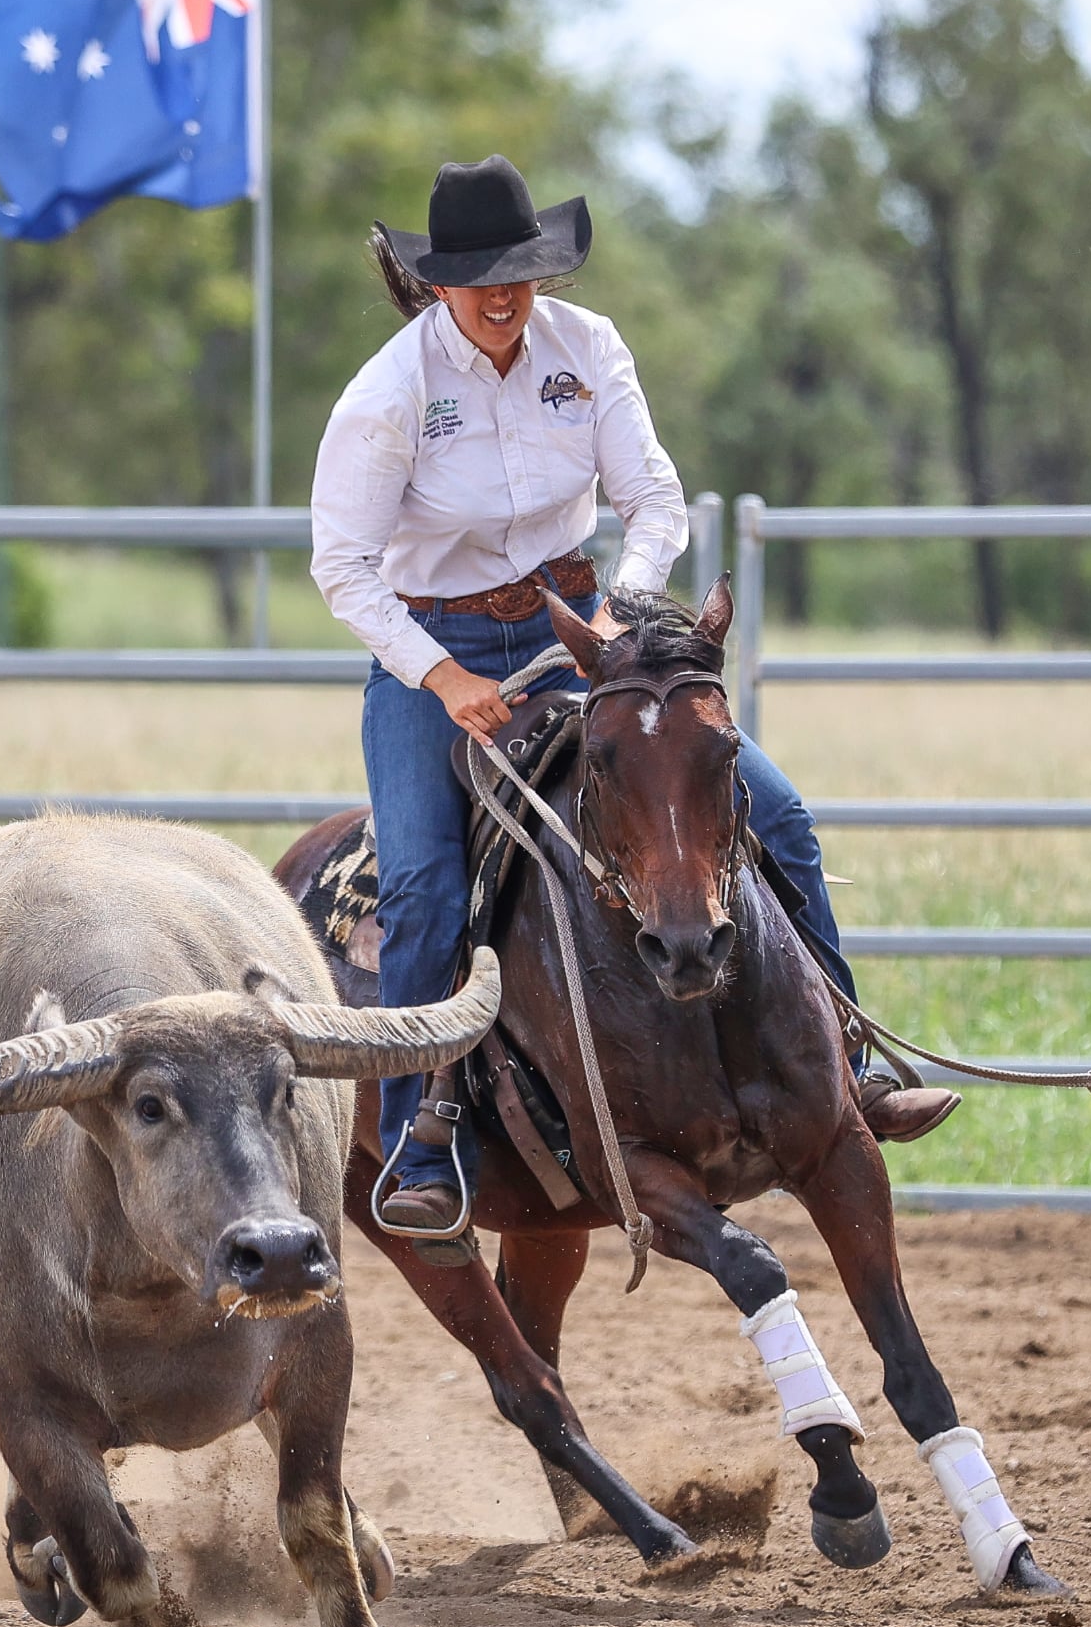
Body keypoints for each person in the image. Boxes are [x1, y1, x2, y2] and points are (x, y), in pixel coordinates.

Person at [310, 155, 957, 1252]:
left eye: (520, 272)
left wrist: (621, 603)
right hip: (437, 648)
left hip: (579, 630)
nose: (504, 296)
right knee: (421, 884)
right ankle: (423, 1141)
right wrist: (442, 676)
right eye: (481, 279)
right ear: (437, 284)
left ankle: (849, 1063)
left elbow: (652, 496)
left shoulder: (587, 348)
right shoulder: (389, 393)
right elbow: (342, 566)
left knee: (776, 814)